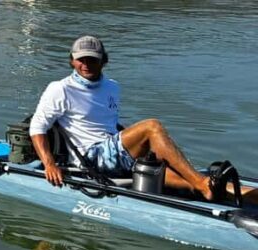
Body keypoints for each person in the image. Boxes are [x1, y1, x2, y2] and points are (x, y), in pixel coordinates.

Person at [29, 35, 250, 202]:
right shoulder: (60, 89)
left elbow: (107, 124)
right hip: (91, 158)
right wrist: (49, 164)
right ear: (72, 61)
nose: (85, 64)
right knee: (151, 127)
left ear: (104, 61)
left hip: (116, 153)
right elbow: (38, 126)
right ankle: (202, 185)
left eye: (92, 60)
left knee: (194, 180)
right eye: (80, 59)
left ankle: (221, 190)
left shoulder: (112, 87)